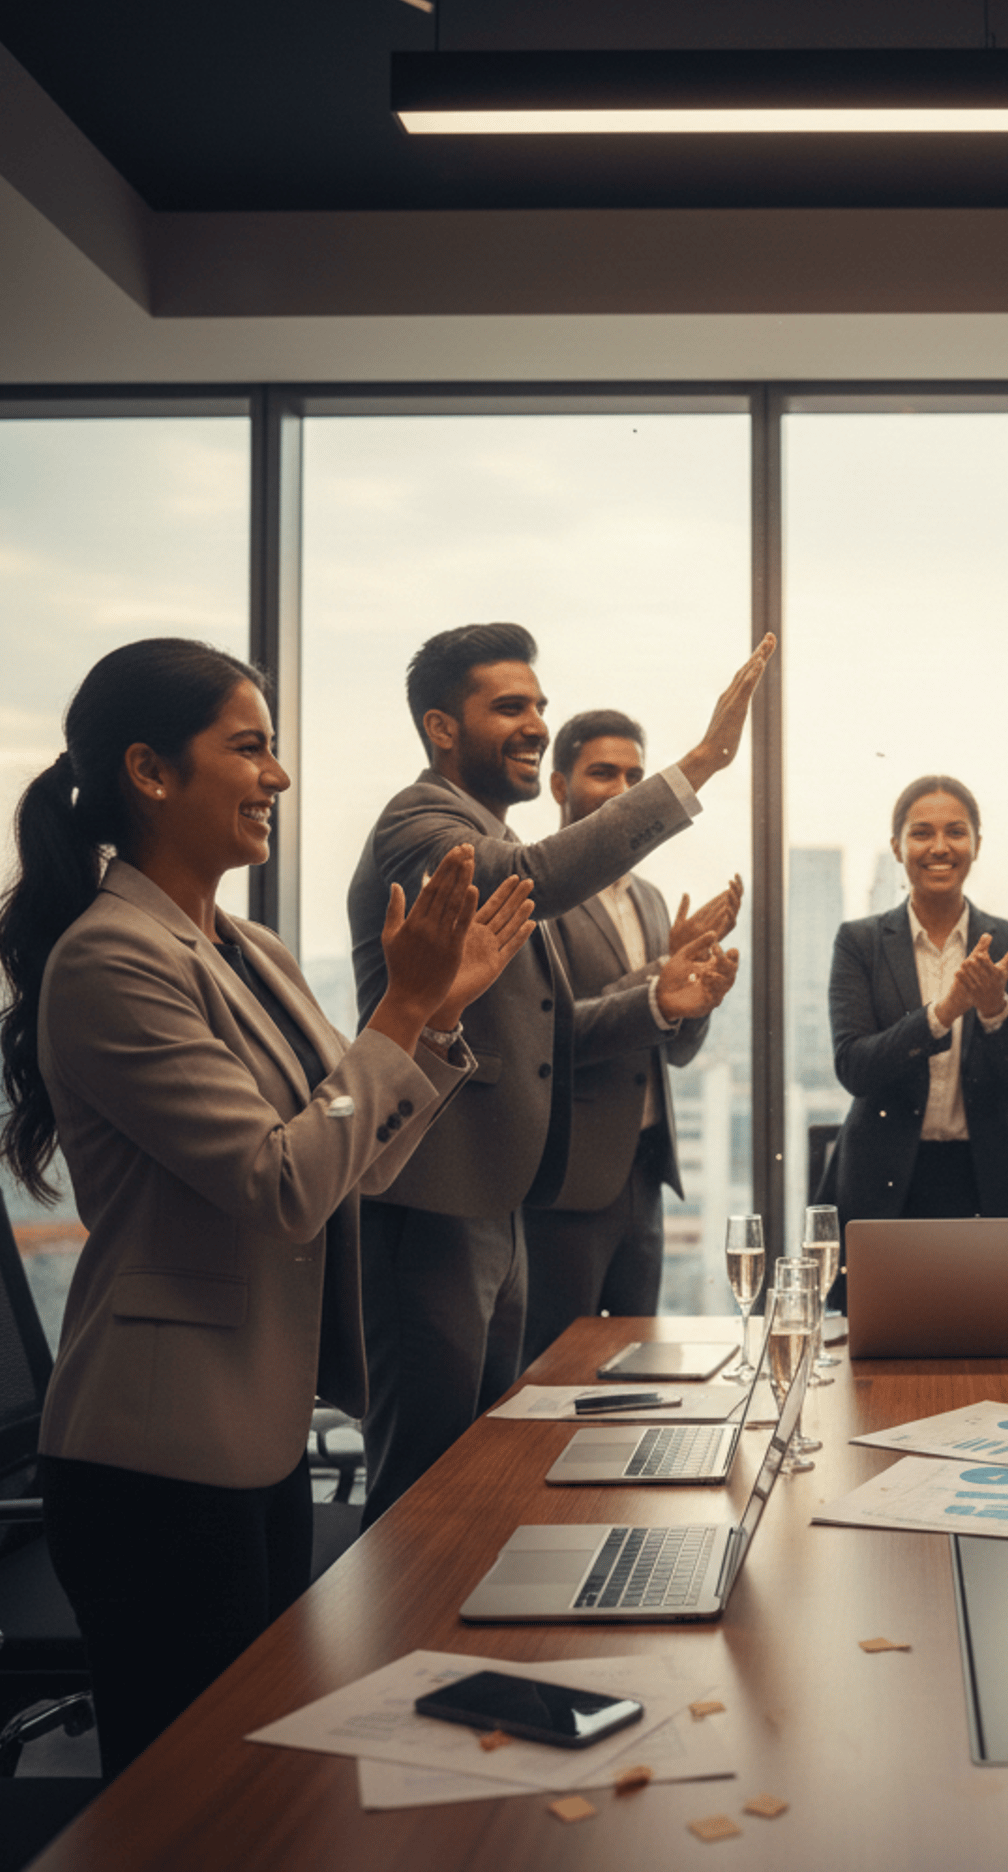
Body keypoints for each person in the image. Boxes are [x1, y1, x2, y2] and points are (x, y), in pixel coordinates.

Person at [0, 638, 534, 1775]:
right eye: (249, 747)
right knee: (190, 1802)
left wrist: (429, 1025)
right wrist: (401, 1017)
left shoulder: (251, 948)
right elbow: (279, 1185)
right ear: (148, 772)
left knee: (261, 1775)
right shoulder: (110, 961)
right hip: (154, 1460)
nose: (278, 776)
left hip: (258, 1436)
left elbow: (354, 1164)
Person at [347, 625, 774, 1522]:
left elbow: (547, 1029)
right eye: (510, 707)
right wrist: (700, 763)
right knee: (423, 1481)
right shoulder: (422, 825)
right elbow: (524, 878)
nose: (535, 722)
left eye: (539, 704)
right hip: (432, 1200)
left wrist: (671, 993)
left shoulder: (498, 837)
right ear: (441, 728)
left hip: (500, 1195)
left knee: (491, 1463)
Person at [519, 708, 741, 1364]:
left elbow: (673, 1048)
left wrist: (695, 1003)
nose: (623, 790)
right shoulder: (538, 896)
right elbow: (548, 1037)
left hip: (643, 1175)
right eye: (603, 773)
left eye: (636, 776)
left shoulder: (648, 897)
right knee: (556, 1374)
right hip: (568, 1183)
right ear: (559, 787)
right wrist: (657, 983)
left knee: (636, 1366)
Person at [820, 776, 1008, 1224]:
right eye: (921, 833)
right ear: (897, 845)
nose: (939, 847)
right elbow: (854, 1068)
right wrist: (941, 1016)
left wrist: (995, 1012)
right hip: (880, 1185)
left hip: (987, 1182)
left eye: (956, 832)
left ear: (976, 845)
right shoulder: (859, 942)